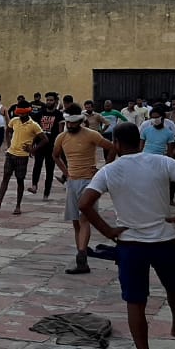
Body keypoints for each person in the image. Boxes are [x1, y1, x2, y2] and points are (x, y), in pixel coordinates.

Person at [78, 122, 175, 349]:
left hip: (131, 244)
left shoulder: (109, 171)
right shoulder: (161, 162)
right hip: (165, 240)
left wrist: (107, 230)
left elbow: (84, 203)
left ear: (115, 143)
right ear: (141, 141)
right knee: (174, 286)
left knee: (135, 302)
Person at [54, 104, 115, 274]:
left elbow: (112, 148)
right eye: (68, 123)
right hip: (72, 182)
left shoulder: (92, 135)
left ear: (81, 121)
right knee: (75, 221)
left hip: (90, 182)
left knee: (84, 219)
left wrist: (104, 169)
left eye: (74, 123)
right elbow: (55, 155)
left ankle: (81, 258)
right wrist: (65, 172)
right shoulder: (62, 137)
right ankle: (82, 249)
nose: (71, 126)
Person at [0, 101, 46, 215]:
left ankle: (18, 206)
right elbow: (8, 131)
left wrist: (33, 149)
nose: (21, 115)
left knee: (20, 180)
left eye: (23, 113)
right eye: (19, 113)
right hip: (11, 154)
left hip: (22, 156)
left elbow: (44, 139)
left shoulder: (34, 125)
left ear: (28, 112)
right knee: (5, 178)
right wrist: (9, 143)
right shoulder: (14, 121)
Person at [29, 92, 65, 198]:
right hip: (40, 145)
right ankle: (34, 186)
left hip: (52, 146)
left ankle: (46, 192)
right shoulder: (40, 114)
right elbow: (34, 131)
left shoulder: (58, 115)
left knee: (50, 169)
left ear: (55, 101)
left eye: (51, 100)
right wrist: (32, 145)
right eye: (47, 100)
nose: (49, 102)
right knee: (37, 166)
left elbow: (61, 132)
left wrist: (59, 146)